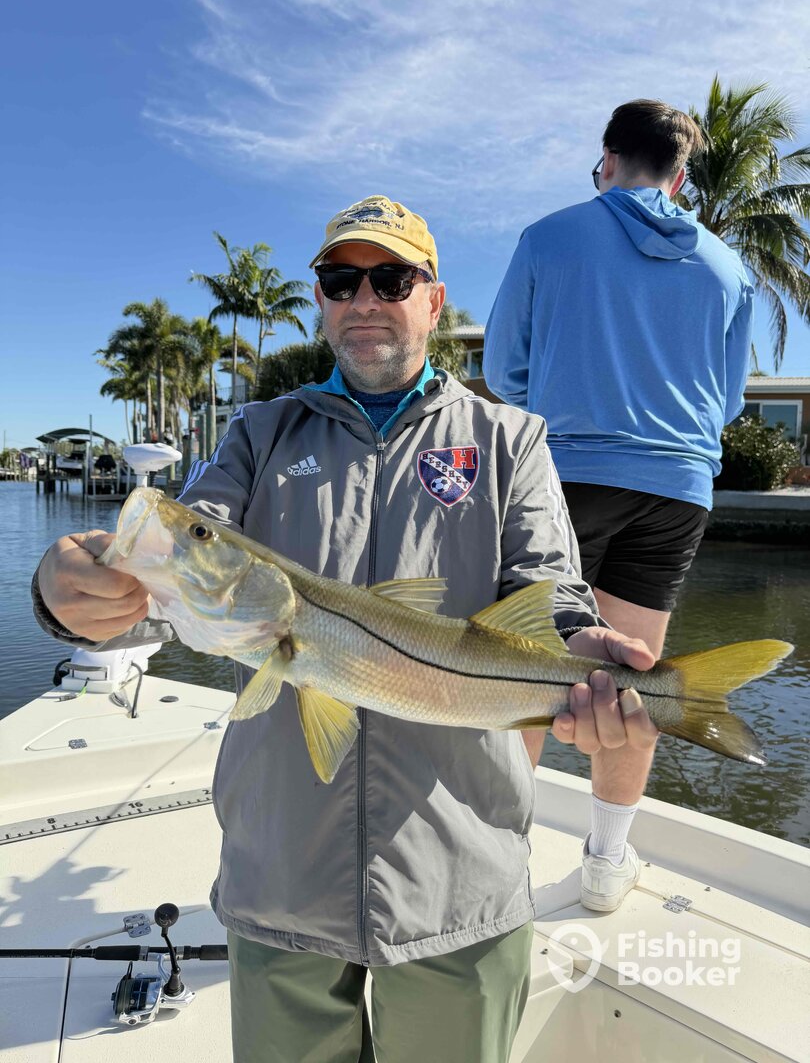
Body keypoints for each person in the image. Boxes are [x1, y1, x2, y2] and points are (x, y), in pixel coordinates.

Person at [34, 195, 658, 1063]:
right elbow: (187, 551)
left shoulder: (510, 439)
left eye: (391, 278)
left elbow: (550, 590)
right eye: (339, 280)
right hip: (281, 871)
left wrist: (582, 648)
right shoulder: (258, 434)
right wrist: (66, 589)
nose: (364, 299)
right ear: (322, 301)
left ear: (433, 301)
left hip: (461, 877)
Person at [484, 99, 754, 913]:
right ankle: (605, 865)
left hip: (563, 475)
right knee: (638, 677)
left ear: (607, 159)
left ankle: (496, 868)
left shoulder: (549, 237)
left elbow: (502, 370)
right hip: (677, 489)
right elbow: (728, 401)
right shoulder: (728, 269)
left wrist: (559, 402)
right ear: (681, 177)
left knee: (526, 672)